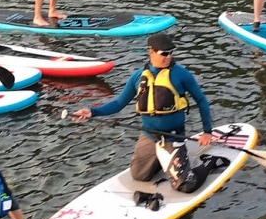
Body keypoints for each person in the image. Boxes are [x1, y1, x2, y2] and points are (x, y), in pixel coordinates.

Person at [72, 33, 219, 196]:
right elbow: (118, 104)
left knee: (185, 185)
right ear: (151, 52)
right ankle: (163, 160)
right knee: (139, 176)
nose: (168, 57)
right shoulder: (137, 77)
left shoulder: (181, 74)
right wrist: (92, 112)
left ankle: (208, 163)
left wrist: (207, 131)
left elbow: (201, 100)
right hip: (149, 136)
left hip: (172, 136)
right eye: (164, 53)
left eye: (171, 52)